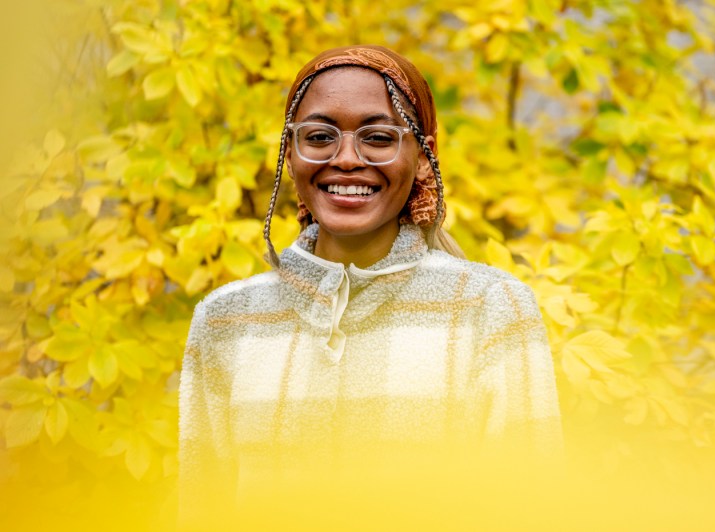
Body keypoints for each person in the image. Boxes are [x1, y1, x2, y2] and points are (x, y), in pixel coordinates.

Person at [179, 45, 561, 526]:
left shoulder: (488, 309)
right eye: (319, 136)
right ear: (290, 154)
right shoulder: (226, 320)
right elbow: (202, 512)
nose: (346, 159)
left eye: (378, 137)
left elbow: (529, 508)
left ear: (423, 157)